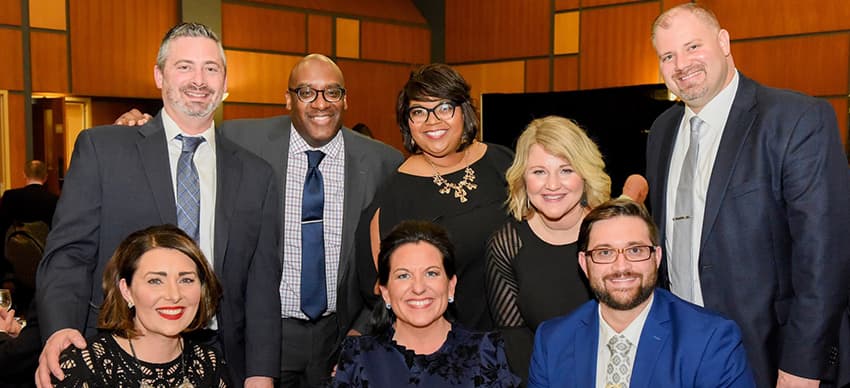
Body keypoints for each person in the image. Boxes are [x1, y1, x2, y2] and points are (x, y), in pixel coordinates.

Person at [114, 53, 404, 387]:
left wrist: (364, 328)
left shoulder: (382, 162)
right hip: (262, 334)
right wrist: (138, 126)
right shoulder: (238, 139)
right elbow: (182, 139)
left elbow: (391, 257)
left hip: (340, 335)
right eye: (307, 92)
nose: (320, 103)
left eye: (332, 92)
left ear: (345, 99)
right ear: (288, 99)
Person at [35, 22, 281, 388]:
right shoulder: (104, 151)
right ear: (159, 75)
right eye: (184, 66)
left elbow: (262, 285)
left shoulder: (257, 173)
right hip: (115, 353)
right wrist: (61, 328)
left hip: (219, 360)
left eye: (211, 68)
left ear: (225, 83)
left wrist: (261, 374)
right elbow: (69, 254)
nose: (199, 79)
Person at [647, 4, 850, 387]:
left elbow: (825, 256)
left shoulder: (795, 119)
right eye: (668, 55)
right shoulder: (661, 131)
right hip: (683, 351)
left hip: (771, 357)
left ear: (723, 42)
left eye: (693, 47)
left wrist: (804, 365)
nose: (681, 64)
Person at [528, 198, 755, 387]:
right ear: (584, 264)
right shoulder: (553, 341)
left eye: (635, 250)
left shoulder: (711, 339)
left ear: (656, 257)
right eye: (605, 252)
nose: (621, 267)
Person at [364, 63, 515, 334]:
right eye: (419, 112)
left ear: (464, 111)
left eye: (444, 108)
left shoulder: (503, 162)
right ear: (408, 123)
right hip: (450, 349)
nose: (432, 121)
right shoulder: (396, 193)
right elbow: (383, 290)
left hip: (520, 331)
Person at [485, 116, 611, 383]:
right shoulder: (507, 244)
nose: (552, 185)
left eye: (566, 170)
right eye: (539, 171)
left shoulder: (611, 235)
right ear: (523, 178)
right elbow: (515, 341)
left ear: (585, 174)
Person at [334, 220, 520, 387]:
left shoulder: (486, 354)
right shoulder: (357, 358)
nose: (418, 288)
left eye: (431, 273)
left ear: (451, 286)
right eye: (403, 275)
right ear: (386, 292)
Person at [53, 225, 225, 387]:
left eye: (186, 280)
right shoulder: (84, 366)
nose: (174, 295)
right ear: (126, 291)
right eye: (155, 281)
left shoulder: (210, 363)